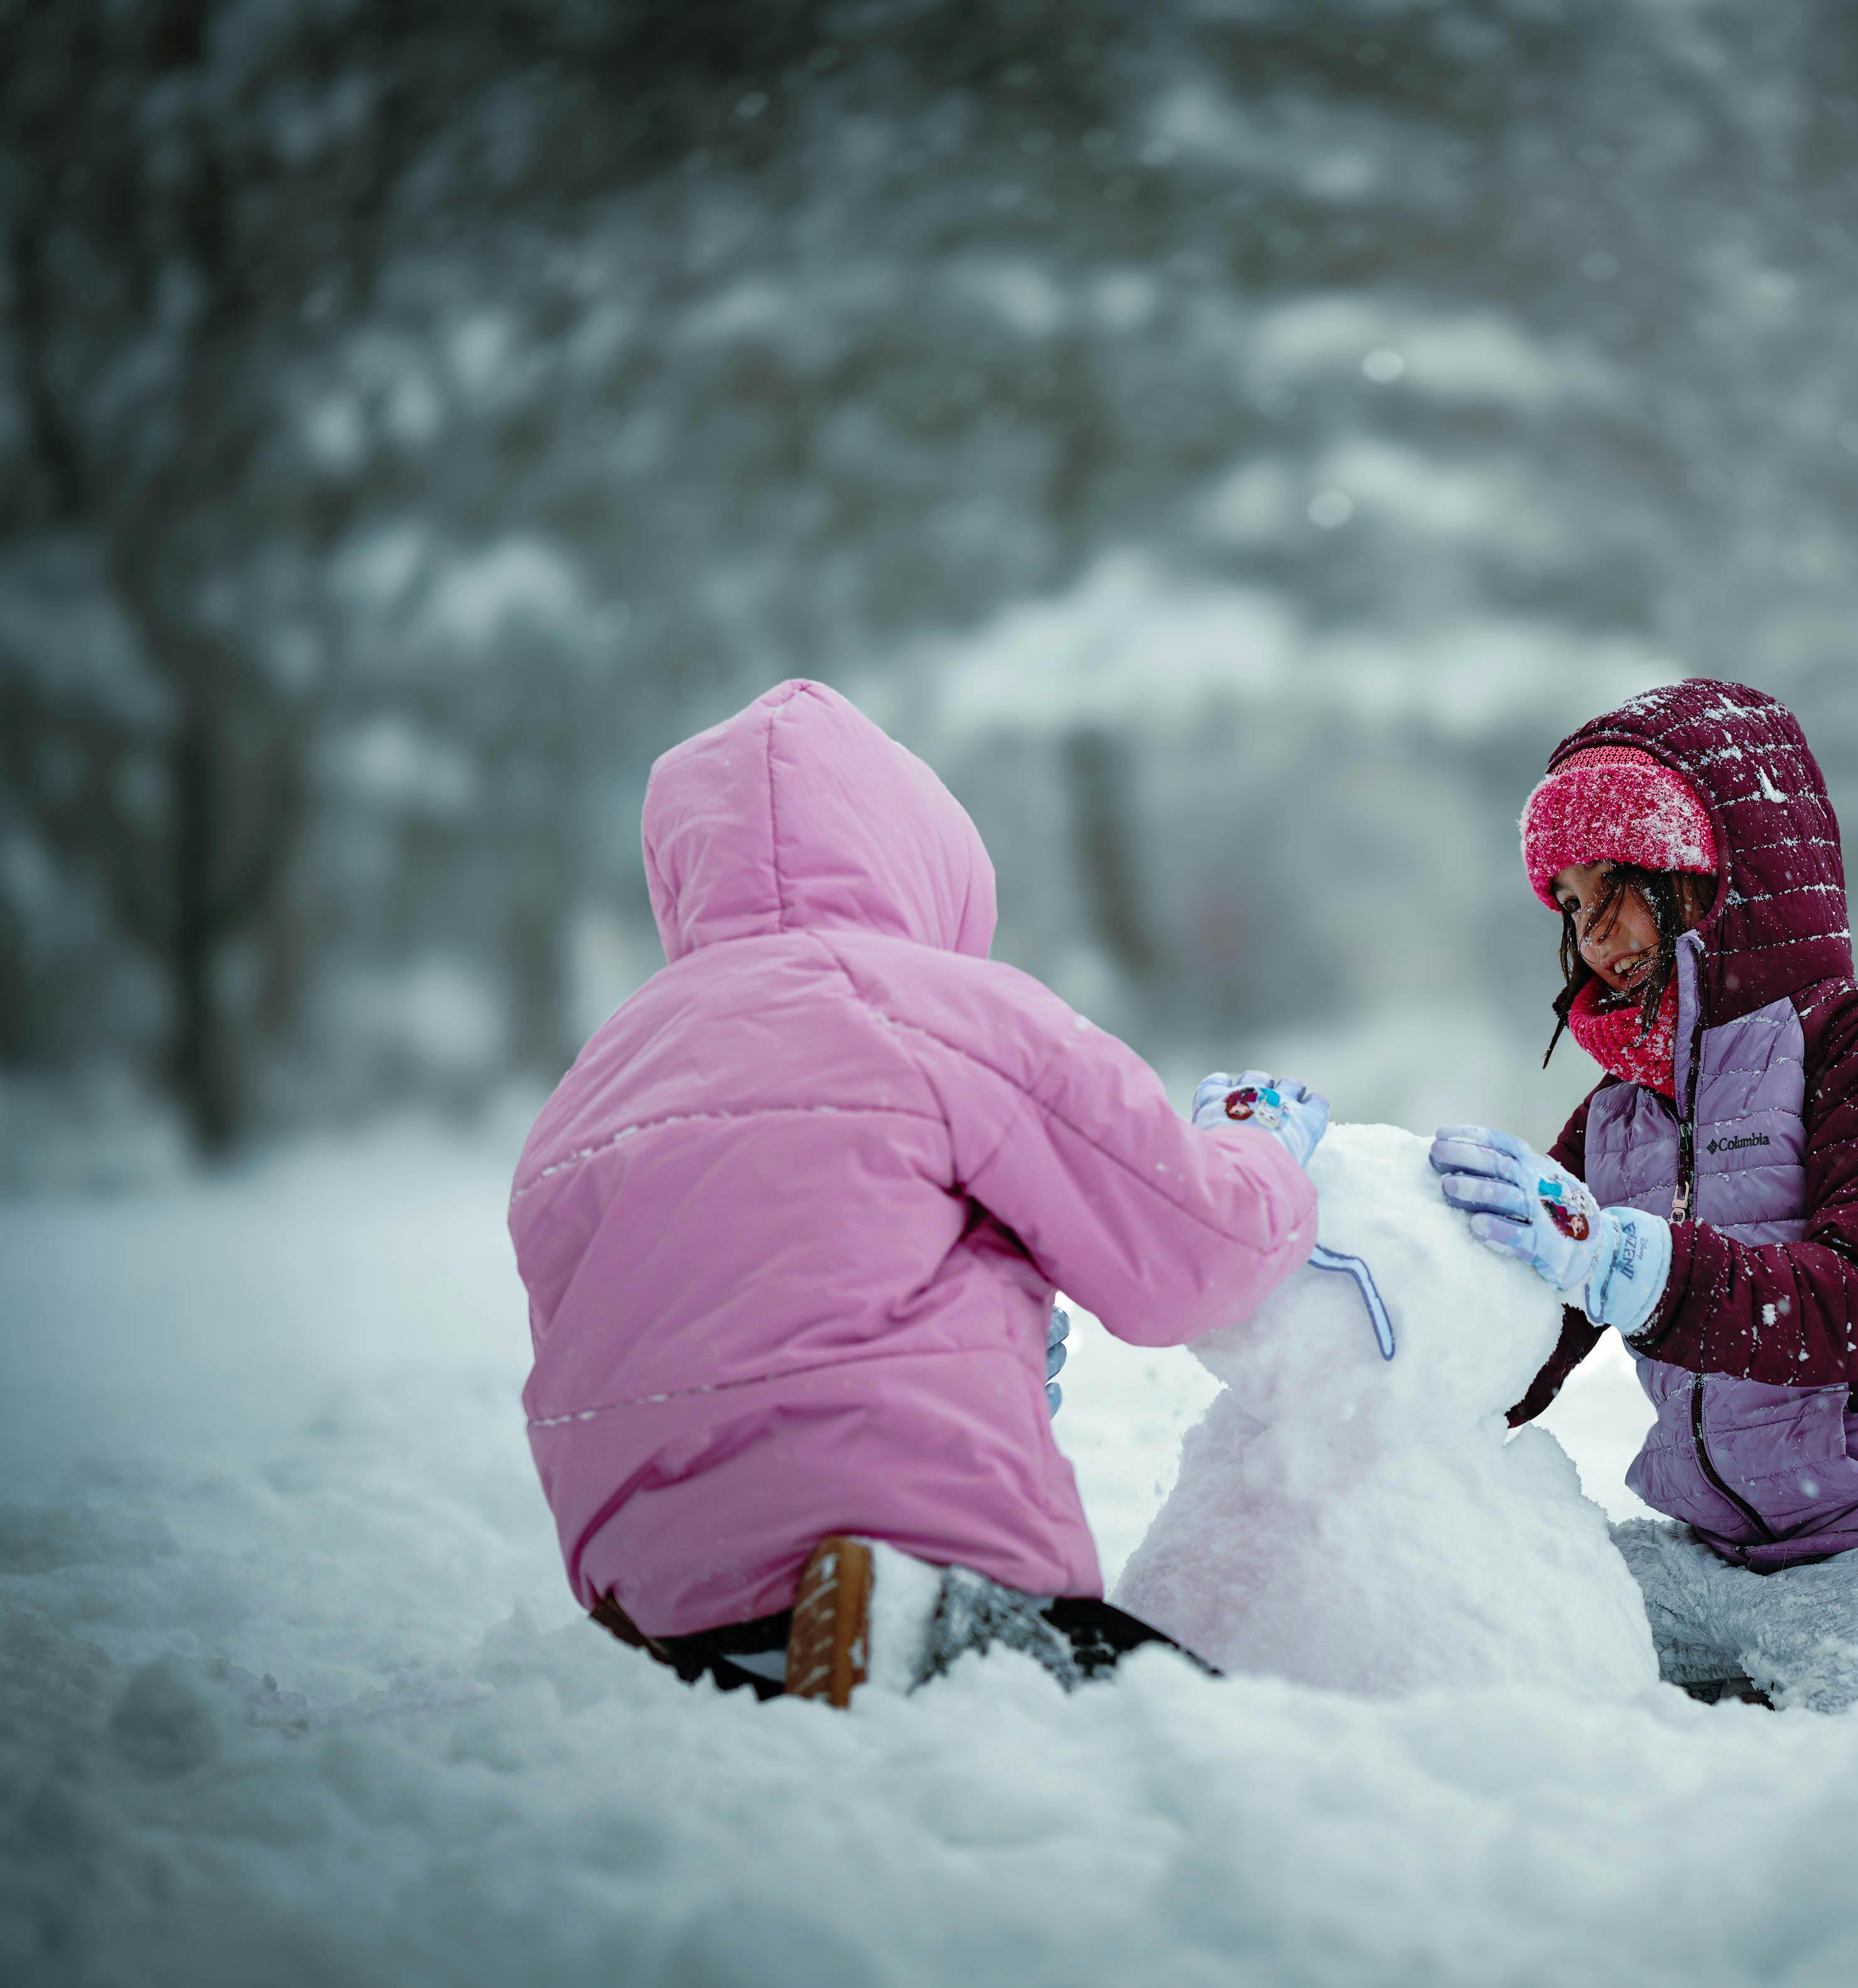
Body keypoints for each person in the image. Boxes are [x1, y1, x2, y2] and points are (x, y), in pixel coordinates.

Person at [508, 679, 1327, 1704]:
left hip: (656, 1612)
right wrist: (1262, 1144)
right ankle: (875, 1630)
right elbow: (1198, 1254)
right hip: (901, 1579)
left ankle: (721, 1646)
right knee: (1225, 1749)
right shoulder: (947, 1013)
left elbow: (683, 1340)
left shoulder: (595, 1086)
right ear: (925, 861)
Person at [1429, 679, 1858, 1713]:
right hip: (1720, 1567)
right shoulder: (1616, 1119)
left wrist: (1631, 1264)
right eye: (1573, 907)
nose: (1594, 938)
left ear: (1712, 876)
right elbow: (1517, 1336)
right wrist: (1375, 1345)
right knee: (1499, 1623)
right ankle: (1749, 1692)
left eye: (1616, 887)